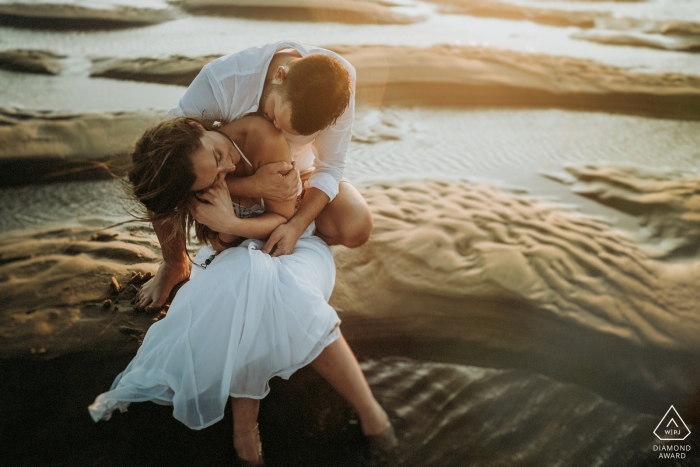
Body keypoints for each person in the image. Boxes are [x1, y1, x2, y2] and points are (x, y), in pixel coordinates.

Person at [89, 115, 394, 466]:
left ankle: (364, 414)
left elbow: (281, 223)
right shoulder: (198, 179)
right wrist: (226, 229)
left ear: (196, 128)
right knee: (249, 275)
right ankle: (247, 433)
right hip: (241, 258)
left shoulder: (262, 136)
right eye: (217, 176)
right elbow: (221, 244)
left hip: (296, 245)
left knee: (271, 283)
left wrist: (233, 219)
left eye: (219, 157)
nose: (228, 168)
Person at [135, 39, 373, 312]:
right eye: (273, 114)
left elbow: (330, 167)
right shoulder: (223, 80)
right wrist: (253, 186)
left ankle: (290, 238)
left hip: (299, 178)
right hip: (228, 175)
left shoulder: (339, 86)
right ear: (280, 75)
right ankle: (175, 263)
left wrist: (294, 226)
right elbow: (161, 155)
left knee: (356, 226)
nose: (274, 129)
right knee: (159, 179)